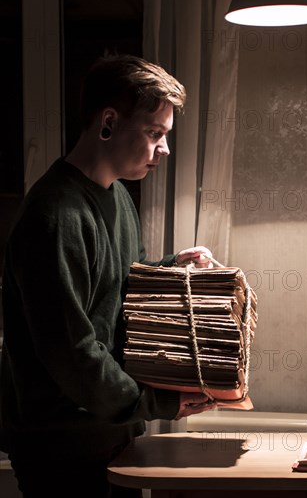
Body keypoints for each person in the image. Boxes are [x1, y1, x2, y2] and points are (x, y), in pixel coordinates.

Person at [0, 54, 216, 497]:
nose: (166, 149)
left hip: (110, 427)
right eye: (155, 133)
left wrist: (171, 268)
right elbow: (73, 351)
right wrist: (157, 404)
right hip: (61, 445)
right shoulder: (54, 216)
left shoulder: (117, 195)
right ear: (108, 122)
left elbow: (120, 286)